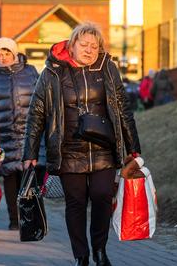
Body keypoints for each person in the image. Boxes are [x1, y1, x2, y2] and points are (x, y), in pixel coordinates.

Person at [22, 23, 142, 266]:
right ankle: (81, 255)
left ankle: (100, 250)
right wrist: (30, 152)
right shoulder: (52, 72)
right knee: (75, 202)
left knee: (102, 196)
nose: (88, 50)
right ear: (72, 45)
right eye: (84, 45)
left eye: (94, 46)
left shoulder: (108, 68)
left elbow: (122, 107)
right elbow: (37, 113)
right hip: (68, 149)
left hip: (104, 148)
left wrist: (133, 148)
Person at [0, 37, 44, 231]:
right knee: (10, 176)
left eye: (6, 53)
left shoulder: (30, 72)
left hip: (28, 132)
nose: (3, 57)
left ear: (15, 53)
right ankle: (14, 219)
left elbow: (40, 100)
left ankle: (30, 217)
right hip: (4, 133)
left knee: (28, 177)